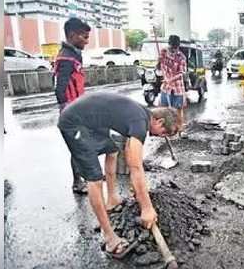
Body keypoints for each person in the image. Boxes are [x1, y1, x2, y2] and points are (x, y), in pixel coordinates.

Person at [58, 92, 178, 258]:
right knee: (95, 179)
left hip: (91, 122)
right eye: (165, 132)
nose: (162, 137)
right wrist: (147, 207)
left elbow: (130, 156)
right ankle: (109, 238)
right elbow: (136, 167)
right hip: (74, 122)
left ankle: (112, 199)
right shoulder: (140, 122)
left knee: (113, 150)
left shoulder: (142, 115)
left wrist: (139, 188)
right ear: (159, 121)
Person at [53, 17, 91, 195]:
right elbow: (59, 89)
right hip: (72, 111)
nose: (87, 40)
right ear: (72, 35)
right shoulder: (66, 58)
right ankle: (78, 182)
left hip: (78, 107)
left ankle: (82, 177)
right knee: (77, 147)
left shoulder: (74, 54)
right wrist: (68, 111)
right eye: (84, 37)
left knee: (81, 144)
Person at [159, 35, 187, 133]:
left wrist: (170, 80)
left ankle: (180, 129)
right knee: (164, 109)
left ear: (178, 46)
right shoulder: (163, 52)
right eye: (171, 47)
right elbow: (162, 66)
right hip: (166, 87)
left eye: (175, 48)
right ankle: (166, 130)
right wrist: (166, 78)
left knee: (178, 110)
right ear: (169, 44)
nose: (173, 50)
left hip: (178, 88)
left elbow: (181, 73)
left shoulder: (182, 57)